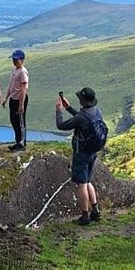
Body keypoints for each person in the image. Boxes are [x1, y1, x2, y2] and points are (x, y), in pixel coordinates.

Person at [56, 87, 102, 226]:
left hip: (81, 153)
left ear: (82, 101)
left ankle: (85, 216)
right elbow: (82, 120)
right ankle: (95, 210)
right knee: (87, 181)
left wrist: (59, 110)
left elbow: (61, 126)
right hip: (92, 152)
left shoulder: (82, 117)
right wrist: (69, 108)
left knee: (81, 184)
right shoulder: (97, 111)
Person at [2, 49, 29, 152]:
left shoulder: (23, 72)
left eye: (16, 60)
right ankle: (18, 141)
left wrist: (21, 105)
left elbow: (23, 89)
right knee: (13, 121)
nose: (14, 61)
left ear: (22, 60)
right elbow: (11, 85)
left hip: (20, 99)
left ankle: (22, 143)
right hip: (13, 99)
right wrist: (6, 98)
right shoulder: (14, 70)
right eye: (13, 59)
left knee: (21, 122)